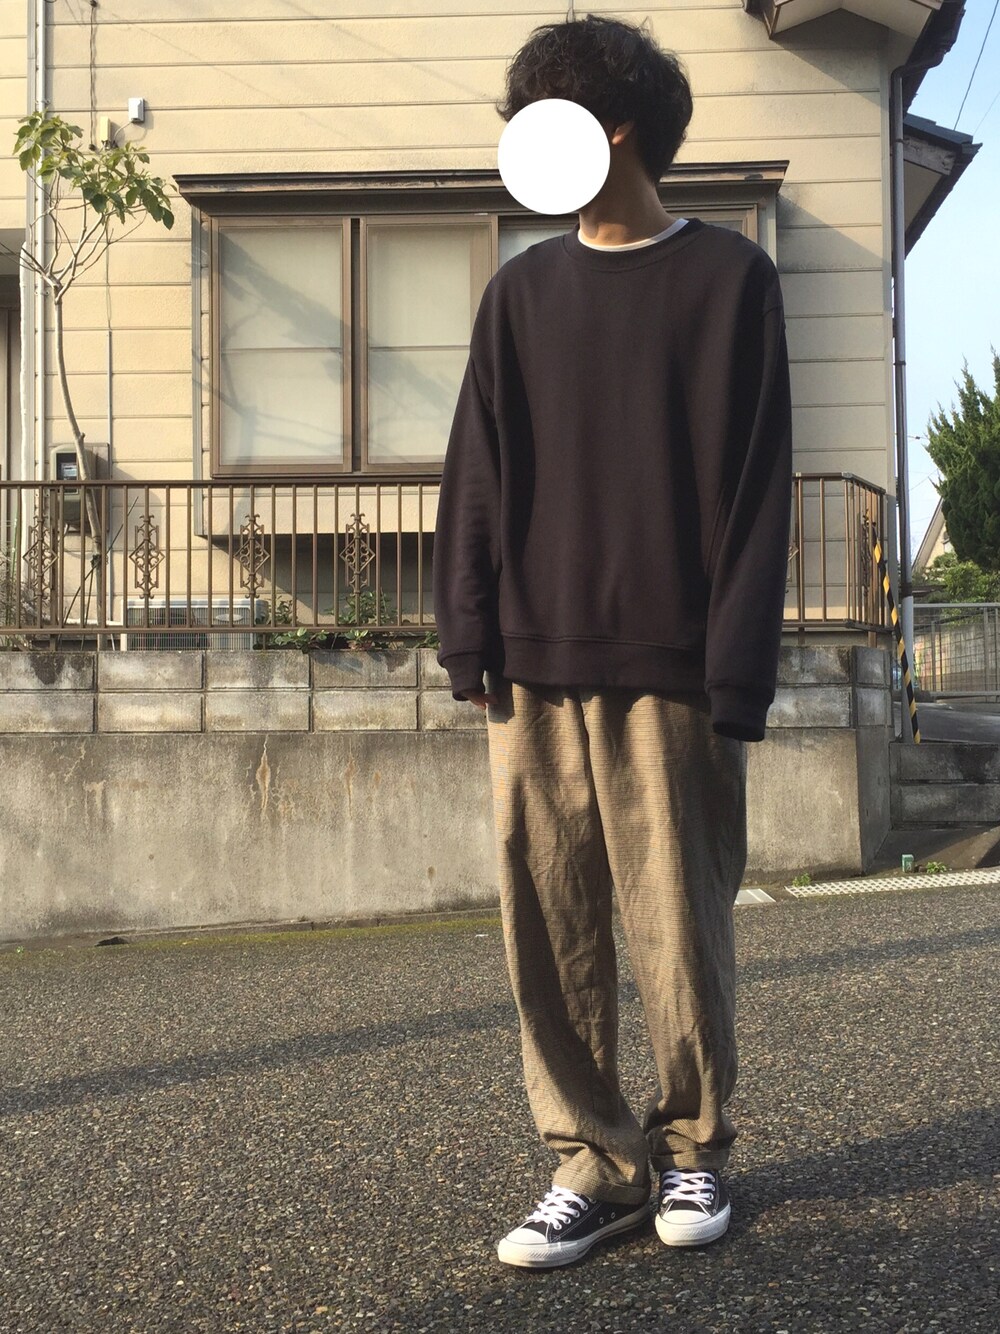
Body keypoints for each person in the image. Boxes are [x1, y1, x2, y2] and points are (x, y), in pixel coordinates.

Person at [432, 15, 793, 1270]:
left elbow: (756, 484)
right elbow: (476, 472)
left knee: (679, 924)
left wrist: (737, 668)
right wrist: (466, 635)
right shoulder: (520, 294)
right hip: (531, 661)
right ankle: (590, 1159)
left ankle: (692, 1146)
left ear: (616, 126)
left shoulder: (732, 280)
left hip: (672, 665)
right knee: (551, 928)